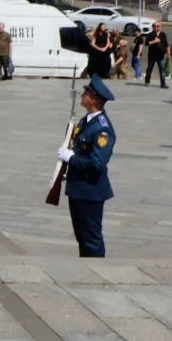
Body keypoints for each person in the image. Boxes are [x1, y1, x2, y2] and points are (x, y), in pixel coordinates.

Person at [56, 75, 116, 257]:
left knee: (91, 239)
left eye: (86, 93)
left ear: (93, 100)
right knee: (82, 237)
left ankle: (97, 269)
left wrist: (71, 158)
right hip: (78, 188)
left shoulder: (102, 129)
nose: (82, 95)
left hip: (90, 191)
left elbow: (97, 163)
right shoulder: (86, 121)